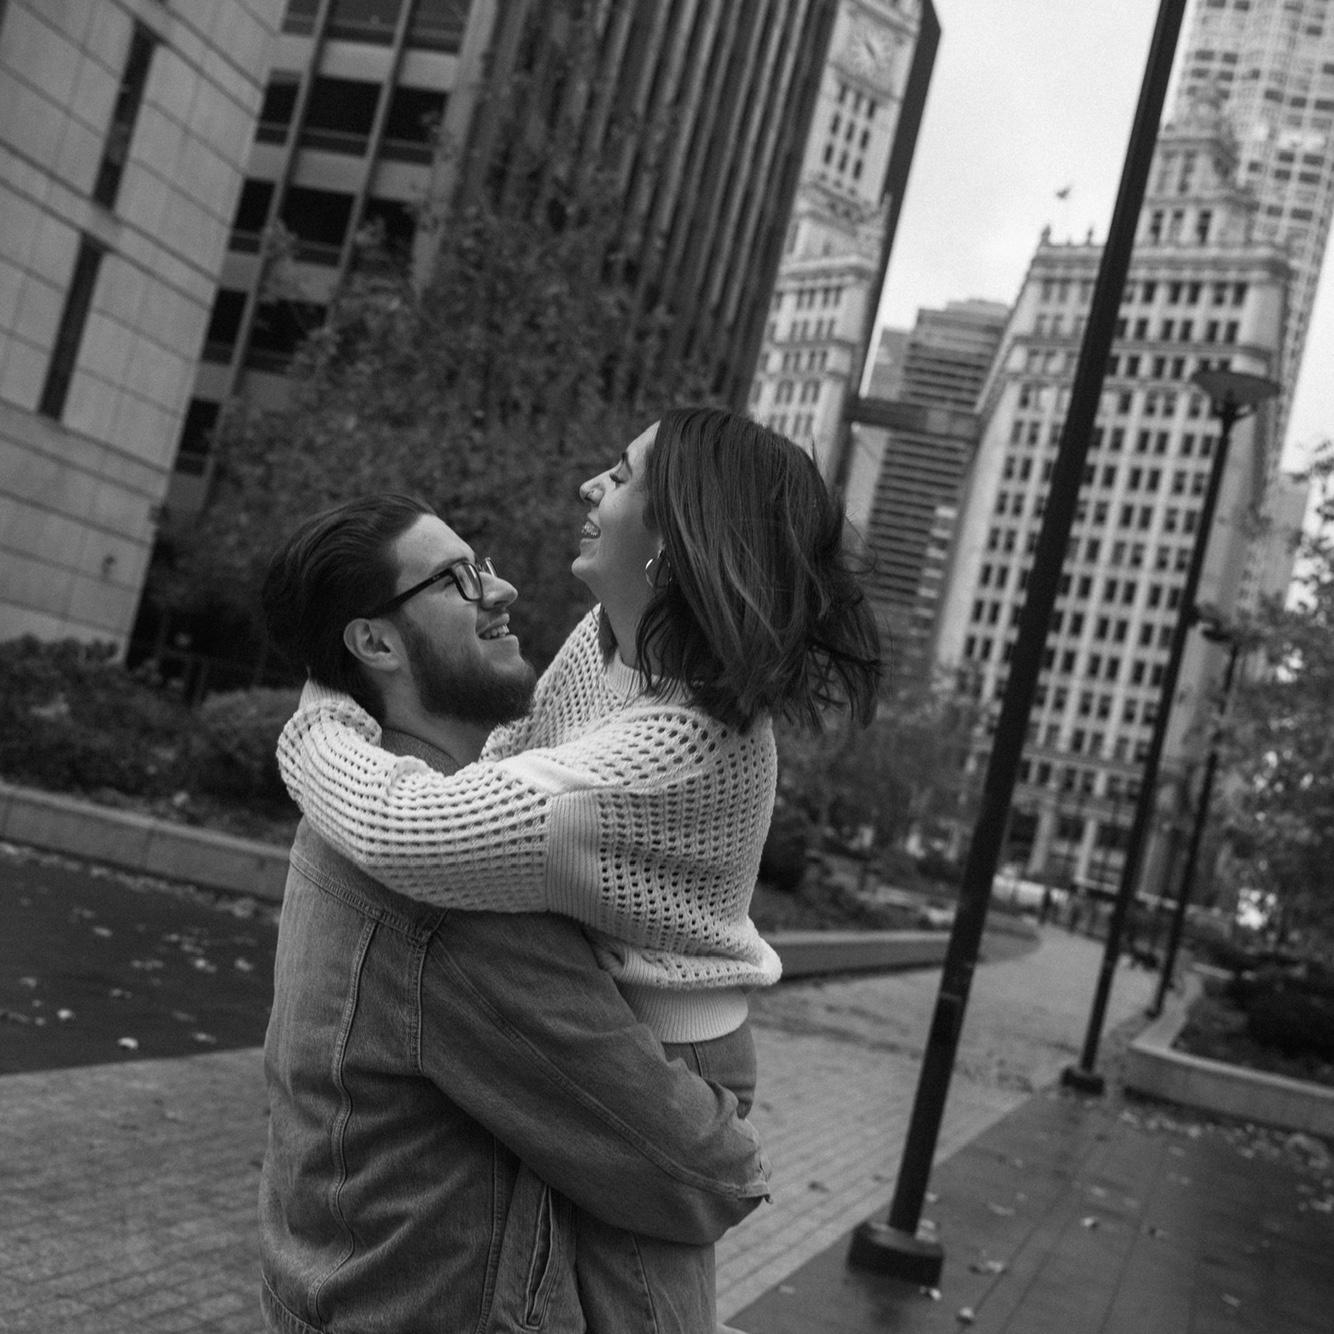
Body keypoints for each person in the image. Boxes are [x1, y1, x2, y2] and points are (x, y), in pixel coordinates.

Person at [274, 408, 882, 1325]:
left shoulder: (677, 747)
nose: (591, 486)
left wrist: (321, 718)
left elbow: (409, 827)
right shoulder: (608, 641)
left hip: (673, 1041)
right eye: (457, 578)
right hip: (609, 1006)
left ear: (676, 542)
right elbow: (515, 749)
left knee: (638, 1305)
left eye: (622, 475)